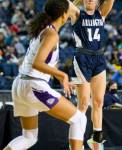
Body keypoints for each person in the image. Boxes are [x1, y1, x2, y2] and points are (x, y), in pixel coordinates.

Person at [3, 0, 87, 150]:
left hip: (21, 84)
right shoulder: (51, 34)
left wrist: (60, 77)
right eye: (67, 12)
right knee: (79, 120)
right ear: (63, 15)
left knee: (29, 137)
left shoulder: (45, 29)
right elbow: (38, 63)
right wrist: (63, 75)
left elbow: (45, 64)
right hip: (33, 85)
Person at [68, 0, 115, 149]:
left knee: (98, 102)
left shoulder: (101, 14)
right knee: (82, 104)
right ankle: (76, 143)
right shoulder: (77, 13)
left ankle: (96, 141)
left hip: (99, 58)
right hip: (82, 59)